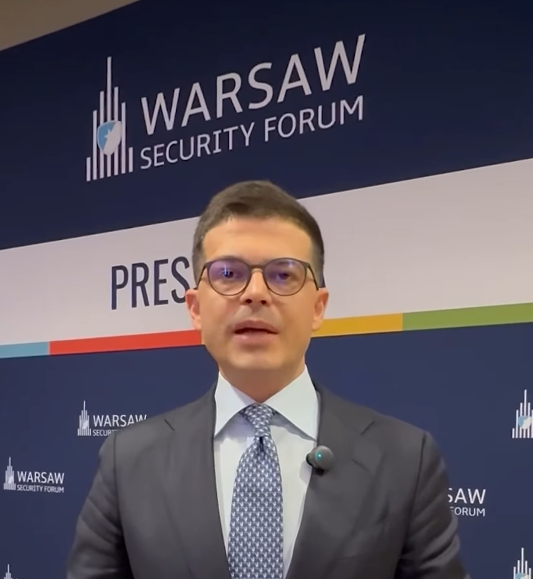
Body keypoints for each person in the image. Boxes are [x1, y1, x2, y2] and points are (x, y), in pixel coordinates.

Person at [66, 180, 470, 579]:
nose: (255, 293)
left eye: (283, 275)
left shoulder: (405, 459)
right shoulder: (128, 460)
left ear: (318, 307)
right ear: (195, 308)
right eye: (228, 273)